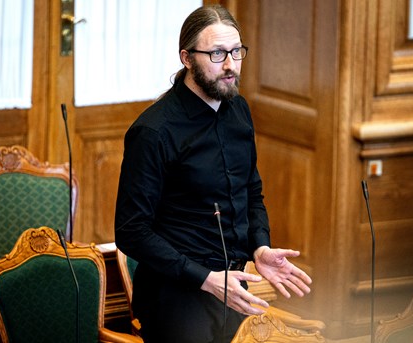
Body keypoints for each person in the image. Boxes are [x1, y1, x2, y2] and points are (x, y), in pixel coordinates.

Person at [115, 5, 312, 343]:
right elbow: (131, 231)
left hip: (233, 284)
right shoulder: (153, 132)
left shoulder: (239, 110)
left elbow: (251, 193)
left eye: (236, 52)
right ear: (187, 58)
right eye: (217, 53)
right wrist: (205, 278)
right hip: (175, 295)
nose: (230, 65)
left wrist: (260, 248)